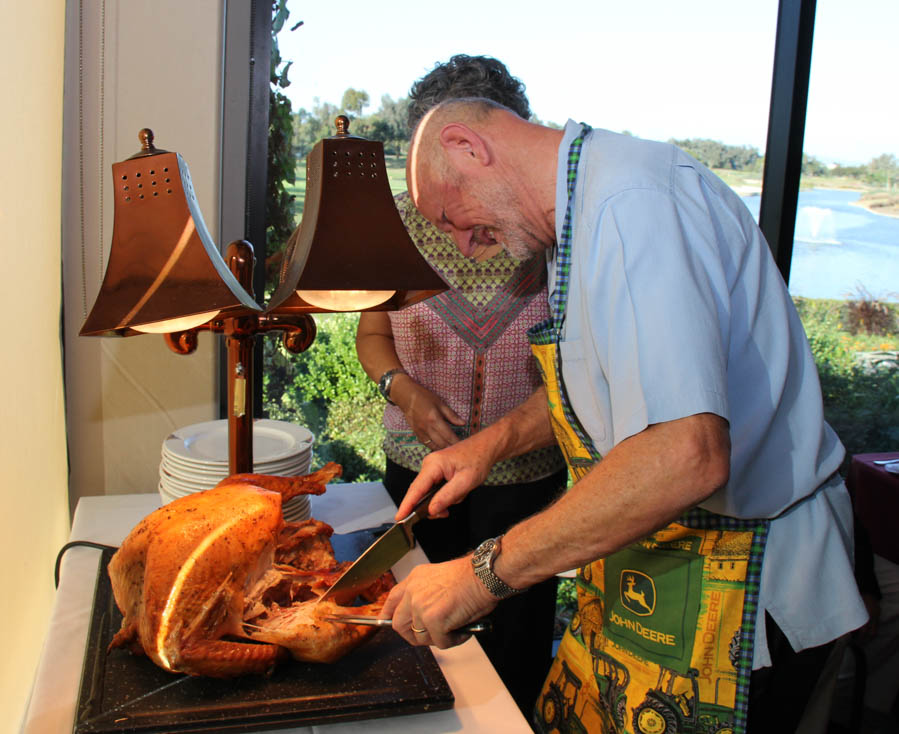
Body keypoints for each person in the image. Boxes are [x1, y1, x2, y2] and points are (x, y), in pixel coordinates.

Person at [381, 98, 870, 733]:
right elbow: (600, 379)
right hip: (654, 573)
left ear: (469, 147)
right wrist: (491, 445)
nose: (467, 248)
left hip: (745, 595)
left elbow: (685, 453)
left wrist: (481, 577)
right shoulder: (576, 214)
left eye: (451, 218)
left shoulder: (633, 203)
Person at [355, 56, 568, 715]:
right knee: (419, 625)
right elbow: (371, 337)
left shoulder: (542, 224)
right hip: (419, 472)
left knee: (519, 627)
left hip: (527, 473)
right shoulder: (392, 221)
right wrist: (405, 392)